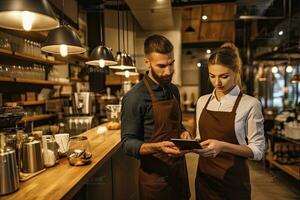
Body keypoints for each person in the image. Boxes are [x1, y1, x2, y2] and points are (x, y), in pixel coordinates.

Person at [121, 34, 191, 200]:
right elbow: (127, 143)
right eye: (161, 66)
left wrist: (183, 132)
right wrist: (157, 147)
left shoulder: (174, 90)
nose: (169, 71)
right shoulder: (135, 97)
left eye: (171, 63)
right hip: (155, 180)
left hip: (179, 172)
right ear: (147, 62)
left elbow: (177, 124)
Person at [193, 43, 265, 200]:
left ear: (236, 72)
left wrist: (223, 146)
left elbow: (258, 150)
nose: (217, 83)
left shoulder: (250, 104)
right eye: (212, 76)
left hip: (233, 182)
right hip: (205, 179)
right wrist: (190, 144)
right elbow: (200, 137)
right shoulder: (202, 101)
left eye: (224, 76)